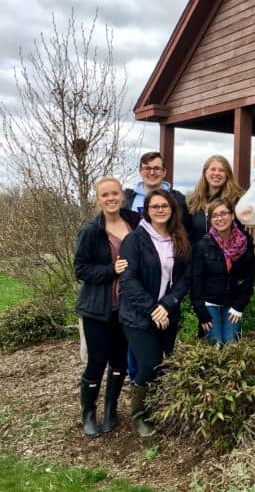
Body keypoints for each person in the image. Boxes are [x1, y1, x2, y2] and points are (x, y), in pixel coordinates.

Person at [119, 189, 191, 437]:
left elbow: (184, 278)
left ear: (172, 209)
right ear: (147, 211)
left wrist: (167, 305)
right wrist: (152, 309)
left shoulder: (179, 237)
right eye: (154, 206)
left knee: (164, 363)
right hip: (138, 316)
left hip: (167, 314)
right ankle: (139, 416)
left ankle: (158, 408)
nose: (160, 210)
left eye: (164, 206)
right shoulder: (134, 240)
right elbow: (128, 280)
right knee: (149, 362)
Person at [74, 177, 140, 437]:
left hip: (127, 308)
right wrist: (111, 270)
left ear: (121, 196)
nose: (111, 198)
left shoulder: (134, 223)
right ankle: (89, 412)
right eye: (105, 195)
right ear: (98, 199)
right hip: (98, 308)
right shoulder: (91, 231)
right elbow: (81, 270)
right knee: (97, 361)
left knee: (119, 360)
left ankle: (111, 409)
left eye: (115, 193)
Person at [123, 151, 191, 384]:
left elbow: (184, 271)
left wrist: (167, 304)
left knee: (159, 360)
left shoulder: (178, 201)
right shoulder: (128, 198)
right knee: (143, 358)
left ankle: (148, 392)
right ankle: (137, 387)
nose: (152, 172)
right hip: (139, 295)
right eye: (147, 168)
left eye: (157, 168)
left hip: (166, 298)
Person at [190, 198, 255, 346]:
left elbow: (250, 276)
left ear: (232, 215)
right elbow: (196, 281)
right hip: (209, 303)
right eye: (215, 215)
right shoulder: (203, 245)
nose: (220, 218)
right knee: (216, 344)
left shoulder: (245, 241)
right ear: (210, 219)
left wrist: (239, 306)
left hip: (233, 303)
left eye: (224, 213)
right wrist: (202, 313)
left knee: (231, 343)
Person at [188, 155, 245, 246]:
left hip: (227, 257)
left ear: (227, 174)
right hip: (197, 258)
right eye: (213, 169)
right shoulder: (194, 202)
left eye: (221, 170)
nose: (217, 173)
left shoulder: (236, 200)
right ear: (205, 172)